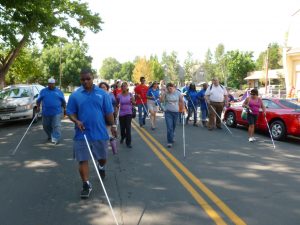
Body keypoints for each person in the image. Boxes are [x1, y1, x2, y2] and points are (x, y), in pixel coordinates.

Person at [67, 69, 116, 199]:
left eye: (88, 79)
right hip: (81, 134)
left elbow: (109, 113)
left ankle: (101, 166)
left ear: (93, 78)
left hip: (100, 133)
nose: (85, 81)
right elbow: (70, 112)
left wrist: (113, 126)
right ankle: (86, 184)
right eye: (83, 79)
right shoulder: (75, 95)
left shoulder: (103, 94)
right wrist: (76, 120)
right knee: (82, 160)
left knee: (102, 158)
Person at [36, 78, 66, 145]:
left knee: (56, 126)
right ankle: (50, 135)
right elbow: (38, 100)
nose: (50, 85)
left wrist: (65, 109)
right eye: (49, 84)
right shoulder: (43, 91)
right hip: (45, 112)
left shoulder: (59, 92)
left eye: (52, 84)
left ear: (54, 84)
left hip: (56, 112)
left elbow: (63, 101)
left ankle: (56, 138)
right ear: (48, 84)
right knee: (45, 126)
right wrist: (38, 107)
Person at [160, 83, 184, 148]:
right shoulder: (166, 93)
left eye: (171, 88)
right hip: (168, 112)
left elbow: (181, 101)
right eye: (168, 88)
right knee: (169, 127)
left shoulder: (178, 93)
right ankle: (169, 141)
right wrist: (163, 94)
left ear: (173, 87)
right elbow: (161, 101)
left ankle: (172, 135)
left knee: (173, 126)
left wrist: (183, 109)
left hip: (176, 112)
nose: (169, 89)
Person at [116, 82, 135, 148]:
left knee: (128, 127)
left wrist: (133, 101)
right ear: (121, 88)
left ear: (127, 87)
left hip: (129, 113)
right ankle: (123, 136)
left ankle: (128, 142)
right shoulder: (119, 95)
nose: (124, 87)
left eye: (125, 86)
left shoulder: (130, 94)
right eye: (122, 86)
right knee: (122, 128)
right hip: (121, 113)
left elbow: (134, 103)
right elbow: (117, 104)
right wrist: (117, 107)